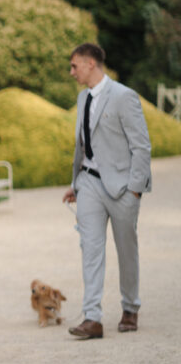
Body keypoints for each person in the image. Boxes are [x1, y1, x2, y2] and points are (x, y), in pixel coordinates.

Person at [62, 42, 151, 339]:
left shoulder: (124, 97)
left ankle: (130, 308)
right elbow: (84, 146)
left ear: (90, 64)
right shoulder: (82, 98)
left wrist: (135, 190)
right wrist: (76, 184)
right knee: (90, 249)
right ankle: (92, 318)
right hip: (89, 183)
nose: (71, 71)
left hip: (123, 188)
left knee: (127, 251)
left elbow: (141, 146)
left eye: (74, 66)